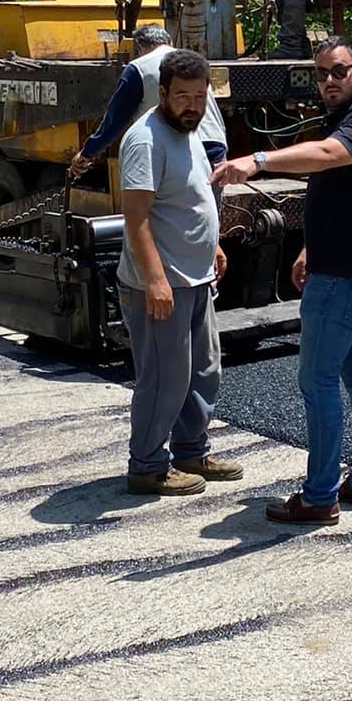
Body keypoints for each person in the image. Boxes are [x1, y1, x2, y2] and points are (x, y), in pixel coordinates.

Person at [211, 35, 352, 524]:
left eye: (338, 71)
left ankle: (319, 497)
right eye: (321, 73)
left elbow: (327, 156)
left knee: (317, 381)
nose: (329, 81)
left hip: (345, 275)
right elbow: (343, 191)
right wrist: (310, 247)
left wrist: (258, 160)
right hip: (347, 264)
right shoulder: (345, 119)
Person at [117, 47, 242, 497]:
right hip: (162, 283)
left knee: (203, 370)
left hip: (196, 276)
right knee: (164, 379)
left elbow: (190, 196)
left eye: (199, 96)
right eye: (183, 96)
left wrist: (214, 245)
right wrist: (154, 279)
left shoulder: (188, 130)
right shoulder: (144, 139)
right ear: (163, 93)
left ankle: (191, 450)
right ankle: (148, 465)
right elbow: (137, 217)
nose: (192, 105)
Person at [67, 25, 227, 181]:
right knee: (208, 206)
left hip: (181, 150)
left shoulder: (139, 67)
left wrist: (88, 152)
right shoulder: (193, 63)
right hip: (215, 146)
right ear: (169, 42)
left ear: (139, 49)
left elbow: (115, 119)